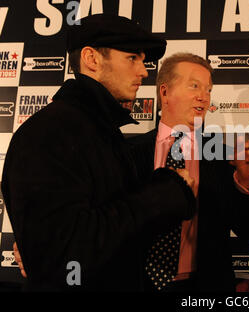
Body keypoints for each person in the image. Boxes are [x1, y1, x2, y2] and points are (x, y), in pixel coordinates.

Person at [1, 14, 197, 291]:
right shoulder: (49, 133)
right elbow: (66, 257)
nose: (143, 71)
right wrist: (167, 193)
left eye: (143, 60)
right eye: (132, 58)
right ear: (91, 59)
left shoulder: (100, 132)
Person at [127, 52, 249, 292]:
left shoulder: (225, 157)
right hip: (137, 283)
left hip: (206, 287)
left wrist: (245, 182)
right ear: (165, 92)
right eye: (194, 86)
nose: (204, 97)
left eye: (209, 90)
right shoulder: (126, 153)